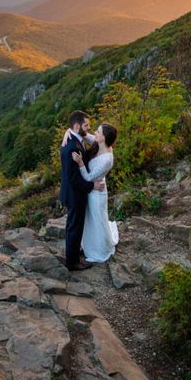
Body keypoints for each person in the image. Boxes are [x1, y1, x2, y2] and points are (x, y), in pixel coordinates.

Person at [60, 110, 104, 270]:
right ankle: (72, 262)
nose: (88, 128)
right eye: (86, 125)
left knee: (73, 225)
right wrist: (92, 186)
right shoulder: (72, 146)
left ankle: (72, 252)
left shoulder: (73, 137)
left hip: (72, 192)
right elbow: (74, 179)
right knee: (75, 226)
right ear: (77, 125)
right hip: (74, 194)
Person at [69, 123, 119, 263]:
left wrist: (80, 163)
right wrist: (69, 132)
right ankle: (90, 243)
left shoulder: (107, 159)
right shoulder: (99, 143)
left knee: (97, 220)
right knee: (90, 219)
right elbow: (86, 135)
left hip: (97, 193)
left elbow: (89, 178)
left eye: (98, 132)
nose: (94, 133)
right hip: (93, 188)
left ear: (103, 137)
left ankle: (101, 249)